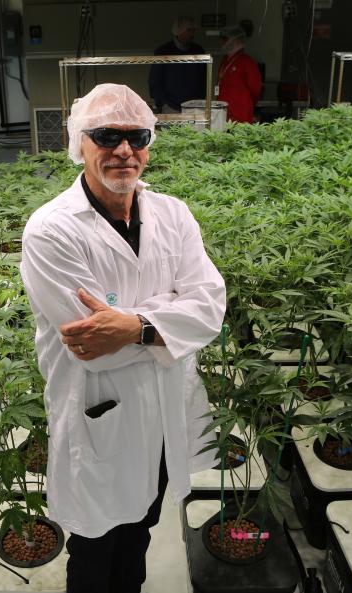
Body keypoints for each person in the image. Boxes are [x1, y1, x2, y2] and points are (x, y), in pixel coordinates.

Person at [20, 84, 226, 593]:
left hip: (162, 415)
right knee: (95, 548)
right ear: (79, 142)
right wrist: (168, 321)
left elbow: (210, 307)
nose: (124, 149)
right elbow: (91, 351)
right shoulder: (52, 230)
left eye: (137, 136)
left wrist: (135, 326)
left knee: (142, 532)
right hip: (99, 416)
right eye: (106, 135)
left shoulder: (174, 215)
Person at [149, 16, 207, 114]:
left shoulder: (198, 51)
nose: (192, 34)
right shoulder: (163, 51)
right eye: (188, 30)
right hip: (170, 107)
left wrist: (199, 101)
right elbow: (155, 81)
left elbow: (204, 79)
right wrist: (162, 103)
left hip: (194, 107)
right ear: (178, 31)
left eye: (193, 30)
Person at [217, 25, 262, 123]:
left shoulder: (247, 62)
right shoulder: (224, 61)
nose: (222, 42)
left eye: (225, 39)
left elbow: (255, 90)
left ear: (236, 40)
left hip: (240, 115)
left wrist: (243, 103)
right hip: (224, 114)